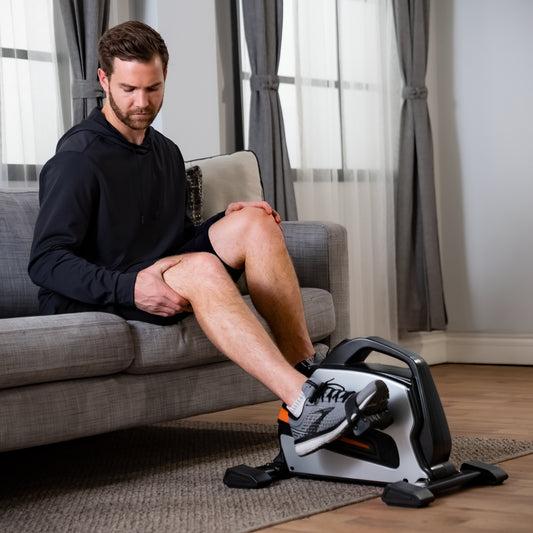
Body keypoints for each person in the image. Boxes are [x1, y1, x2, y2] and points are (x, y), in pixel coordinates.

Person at [28, 21, 388, 457]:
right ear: (104, 80)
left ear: (165, 77)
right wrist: (130, 287)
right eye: (128, 89)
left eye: (153, 88)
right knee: (200, 267)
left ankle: (314, 380)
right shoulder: (78, 159)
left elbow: (175, 237)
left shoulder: (165, 152)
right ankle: (302, 405)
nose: (142, 102)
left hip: (159, 273)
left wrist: (225, 220)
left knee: (255, 222)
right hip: (105, 292)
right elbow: (45, 261)